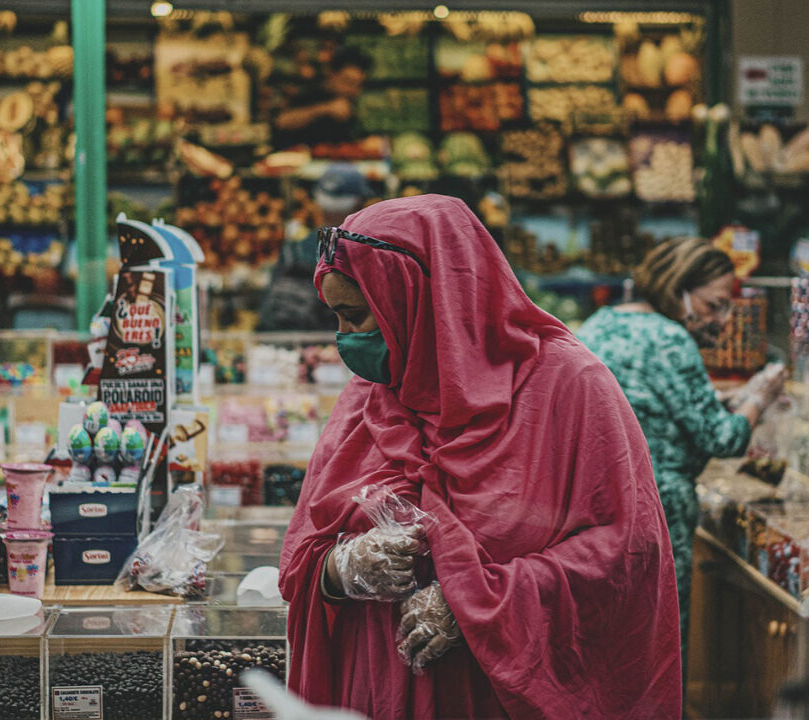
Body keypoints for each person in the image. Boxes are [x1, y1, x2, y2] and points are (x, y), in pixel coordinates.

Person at [279, 195, 682, 719]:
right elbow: (303, 553)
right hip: (380, 690)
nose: (347, 340)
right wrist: (343, 568)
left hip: (500, 695)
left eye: (359, 317)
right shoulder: (372, 392)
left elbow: (626, 551)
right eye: (338, 318)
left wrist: (477, 603)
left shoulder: (567, 385)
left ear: (423, 300)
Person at [577, 237, 786, 665]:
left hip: (595, 508)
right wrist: (759, 397)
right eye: (714, 305)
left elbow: (654, 403)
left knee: (608, 649)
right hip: (659, 513)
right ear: (679, 290)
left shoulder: (599, 324)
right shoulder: (671, 339)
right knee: (659, 648)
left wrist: (728, 399)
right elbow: (722, 438)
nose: (723, 320)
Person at [258, 164, 371, 331]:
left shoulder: (294, 248)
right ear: (360, 202)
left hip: (290, 344)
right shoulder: (367, 249)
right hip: (337, 342)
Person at [273, 45, 371, 148]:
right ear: (331, 74)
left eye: (358, 85)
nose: (353, 90)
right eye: (348, 82)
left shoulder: (351, 101)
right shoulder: (310, 91)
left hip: (337, 160)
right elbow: (281, 122)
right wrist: (325, 109)